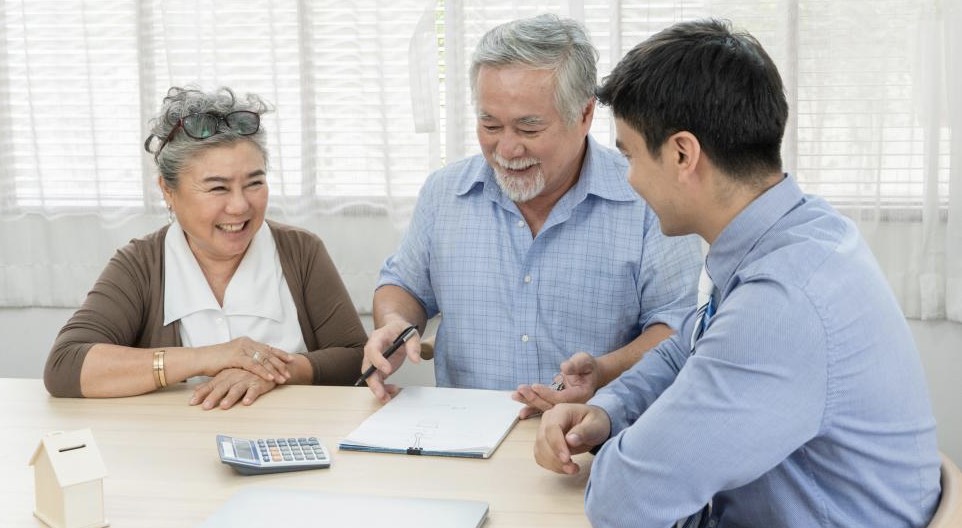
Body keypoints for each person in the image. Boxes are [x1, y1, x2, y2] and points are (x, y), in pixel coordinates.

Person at [533, 19, 942, 527]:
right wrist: (612, 408)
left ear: (683, 154)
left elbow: (624, 499)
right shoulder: (798, 229)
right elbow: (691, 347)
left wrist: (628, 444)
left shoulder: (781, 303)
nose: (630, 178)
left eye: (630, 155)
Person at [361, 13, 702, 416]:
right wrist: (395, 323)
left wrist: (605, 371)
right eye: (490, 125)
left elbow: (675, 330)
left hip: (593, 437)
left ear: (585, 115)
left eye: (528, 129)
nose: (506, 149)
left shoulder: (646, 198)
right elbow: (403, 286)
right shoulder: (444, 192)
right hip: (462, 435)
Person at [44, 86, 368, 410]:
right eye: (217, 188)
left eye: (254, 182)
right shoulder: (140, 264)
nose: (240, 206)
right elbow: (66, 366)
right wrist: (207, 358)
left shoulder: (302, 251)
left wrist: (275, 372)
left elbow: (357, 358)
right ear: (167, 191)